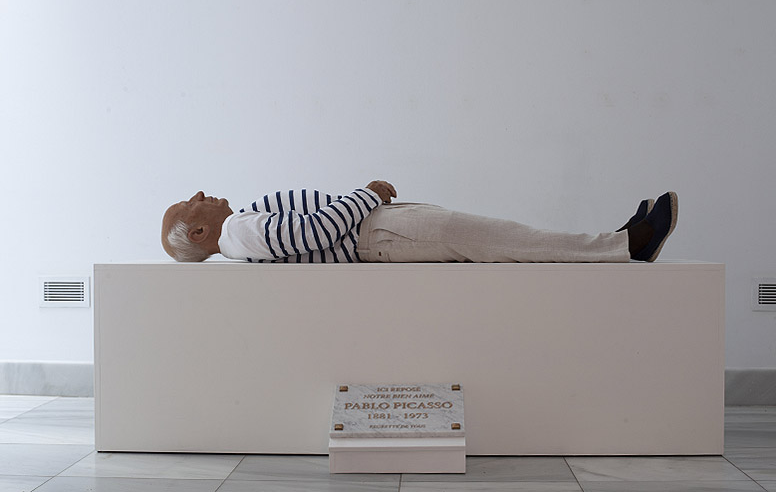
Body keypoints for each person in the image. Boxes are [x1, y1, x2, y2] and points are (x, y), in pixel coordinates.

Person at [160, 180, 677, 264]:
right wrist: (367, 193)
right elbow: (315, 231)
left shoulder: (239, 231)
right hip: (378, 232)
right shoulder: (239, 231)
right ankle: (624, 246)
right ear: (199, 233)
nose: (200, 195)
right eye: (189, 204)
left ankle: (614, 243)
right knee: (504, 238)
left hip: (381, 229)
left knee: (501, 237)